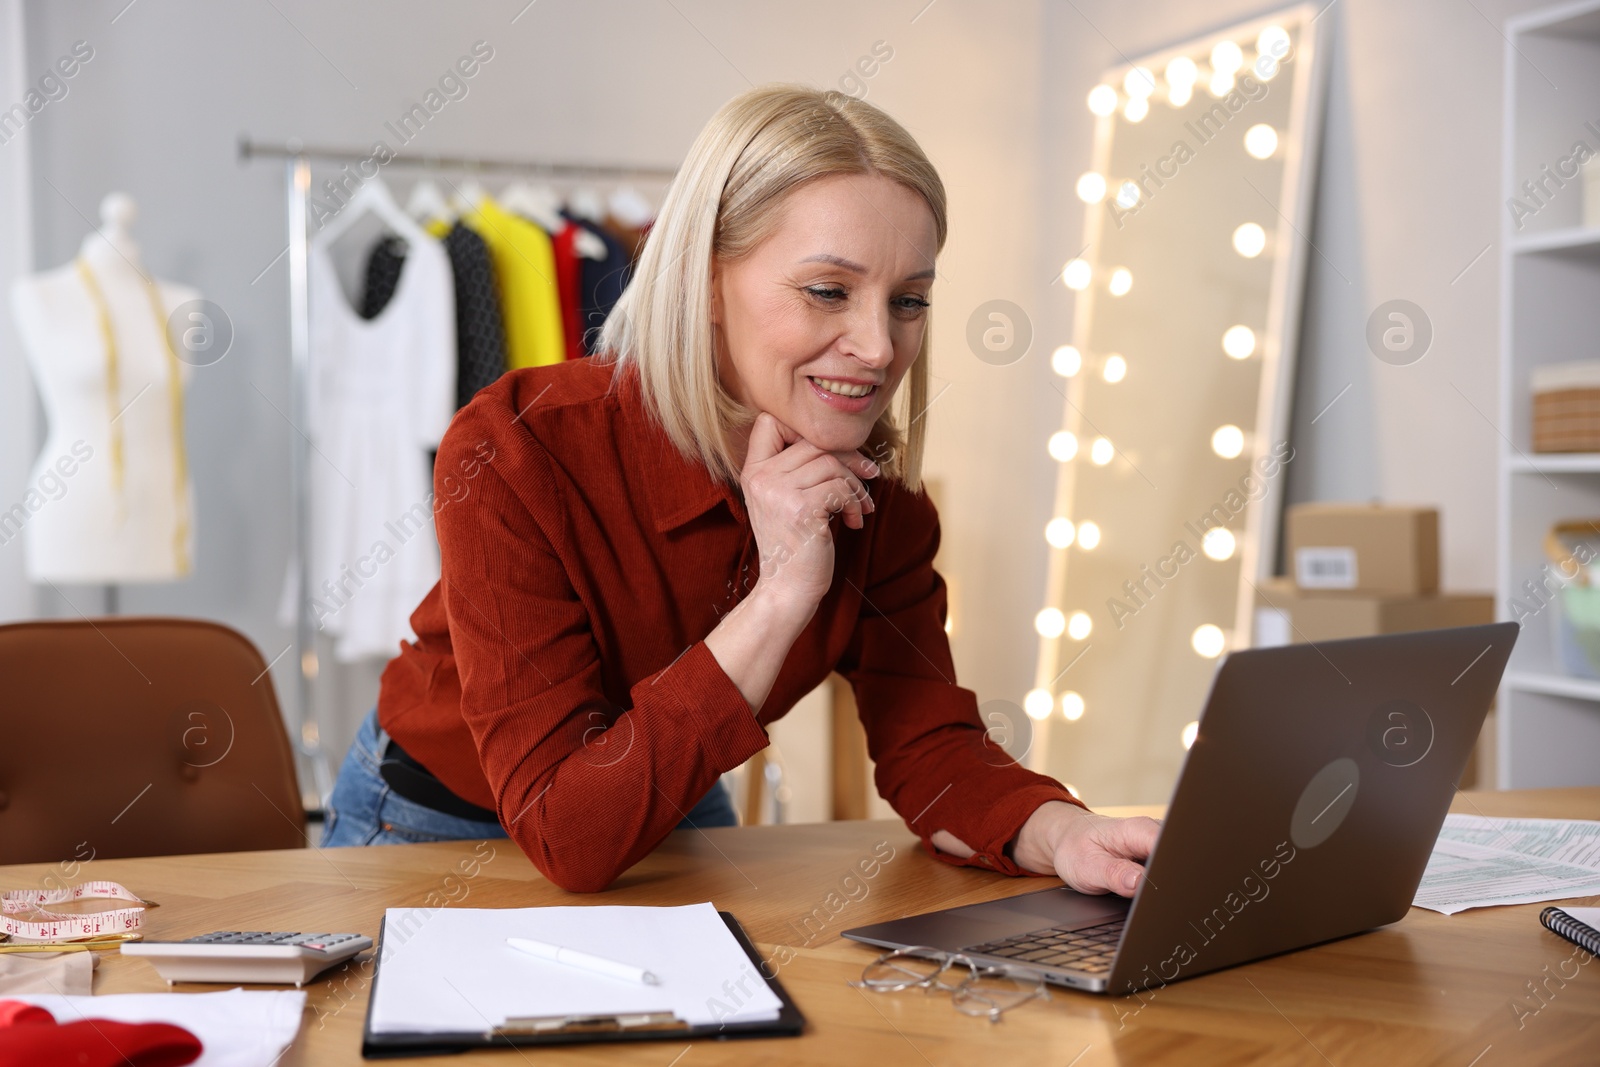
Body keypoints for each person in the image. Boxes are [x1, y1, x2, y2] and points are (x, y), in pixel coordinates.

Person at [324, 83, 1159, 895]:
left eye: (908, 300)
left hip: (667, 798)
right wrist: (780, 595)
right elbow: (567, 833)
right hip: (432, 819)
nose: (878, 346)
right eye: (828, 291)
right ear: (706, 279)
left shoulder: (882, 507)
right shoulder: (519, 447)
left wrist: (1064, 832)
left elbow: (932, 746)